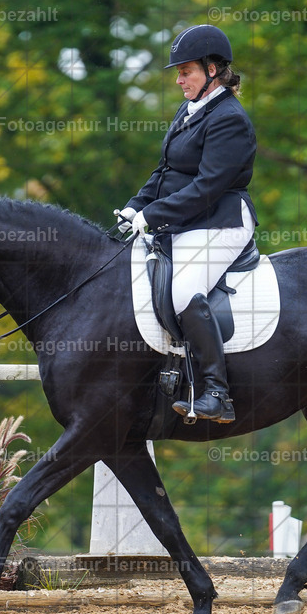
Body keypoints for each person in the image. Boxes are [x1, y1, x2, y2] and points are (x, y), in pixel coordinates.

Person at [118, 24, 257, 423]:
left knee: (184, 292)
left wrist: (153, 215)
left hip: (222, 221)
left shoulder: (229, 117)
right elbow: (164, 170)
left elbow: (207, 187)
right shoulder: (192, 108)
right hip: (189, 221)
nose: (179, 80)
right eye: (178, 73)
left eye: (186, 72)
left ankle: (217, 392)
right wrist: (136, 205)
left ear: (213, 70)